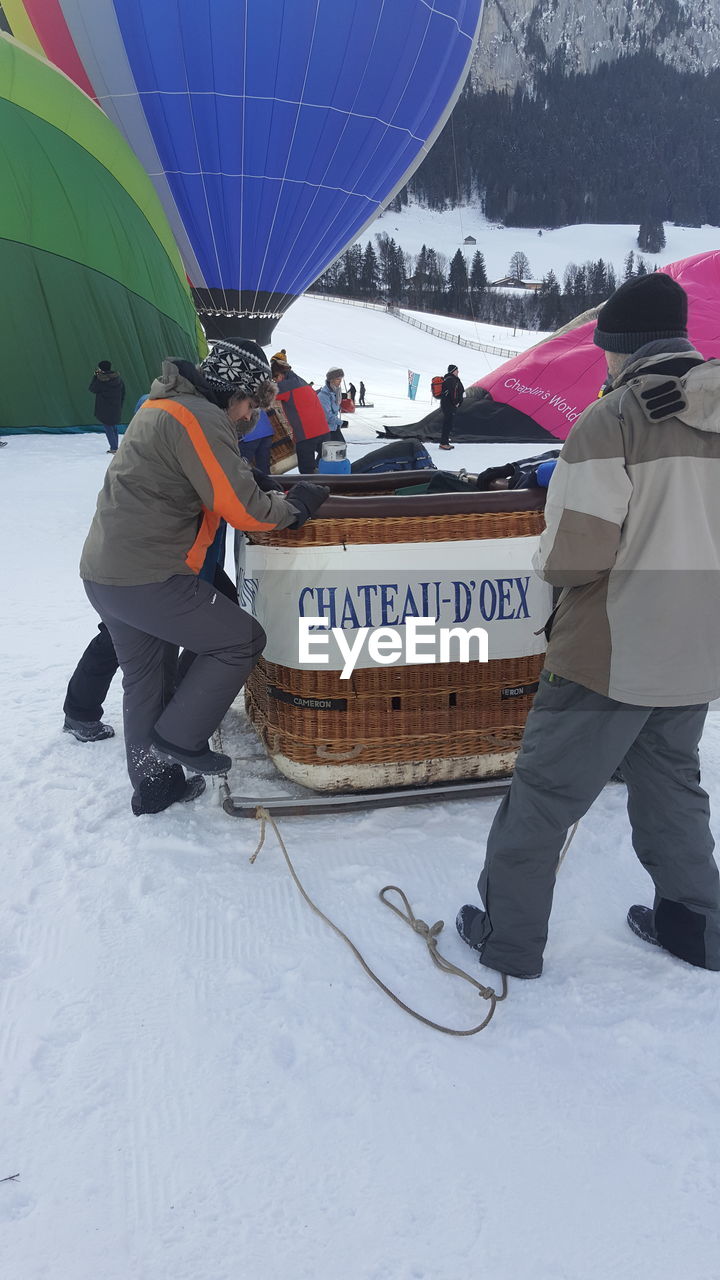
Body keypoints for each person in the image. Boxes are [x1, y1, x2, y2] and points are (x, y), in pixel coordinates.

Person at [456, 272, 720, 978]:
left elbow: (574, 558)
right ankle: (698, 927)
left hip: (609, 650)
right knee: (672, 788)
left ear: (621, 347)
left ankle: (507, 938)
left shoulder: (614, 419)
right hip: (698, 648)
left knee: (543, 799)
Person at [80, 339, 329, 816]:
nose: (249, 416)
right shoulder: (200, 417)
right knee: (240, 639)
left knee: (147, 678)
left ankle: (156, 787)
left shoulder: (165, 404)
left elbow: (204, 476)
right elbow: (244, 511)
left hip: (107, 574)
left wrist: (253, 480)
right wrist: (296, 508)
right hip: (150, 576)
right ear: (235, 392)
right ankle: (180, 737)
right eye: (251, 405)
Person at [271, 356, 330, 474]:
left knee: (307, 471)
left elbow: (265, 395)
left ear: (280, 374)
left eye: (275, 378)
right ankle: (326, 481)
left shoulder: (285, 385)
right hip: (323, 430)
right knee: (328, 463)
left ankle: (314, 488)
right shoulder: (301, 381)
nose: (275, 381)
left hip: (306, 435)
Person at [89, 360, 125, 453]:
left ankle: (114, 448)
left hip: (104, 408)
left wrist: (95, 376)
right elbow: (123, 392)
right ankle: (115, 446)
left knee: (108, 427)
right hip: (115, 407)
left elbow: (92, 388)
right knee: (113, 427)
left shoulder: (101, 381)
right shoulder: (118, 379)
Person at [237, 407, 275, 476]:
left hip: (249, 435)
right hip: (265, 430)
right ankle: (267, 485)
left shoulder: (235, 398)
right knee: (264, 468)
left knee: (241, 468)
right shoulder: (255, 396)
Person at [317, 368, 346, 442]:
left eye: (341, 379)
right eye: (337, 379)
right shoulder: (323, 395)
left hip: (334, 427)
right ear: (331, 380)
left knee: (340, 449)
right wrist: (341, 422)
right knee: (331, 451)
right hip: (326, 430)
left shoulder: (335, 393)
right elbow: (327, 416)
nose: (340, 382)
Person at [439, 364, 464, 450]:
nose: (458, 372)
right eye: (457, 370)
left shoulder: (448, 379)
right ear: (453, 371)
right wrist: (456, 402)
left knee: (448, 424)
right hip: (449, 405)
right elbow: (453, 393)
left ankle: (445, 442)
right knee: (447, 424)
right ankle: (443, 443)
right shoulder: (451, 380)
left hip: (447, 405)